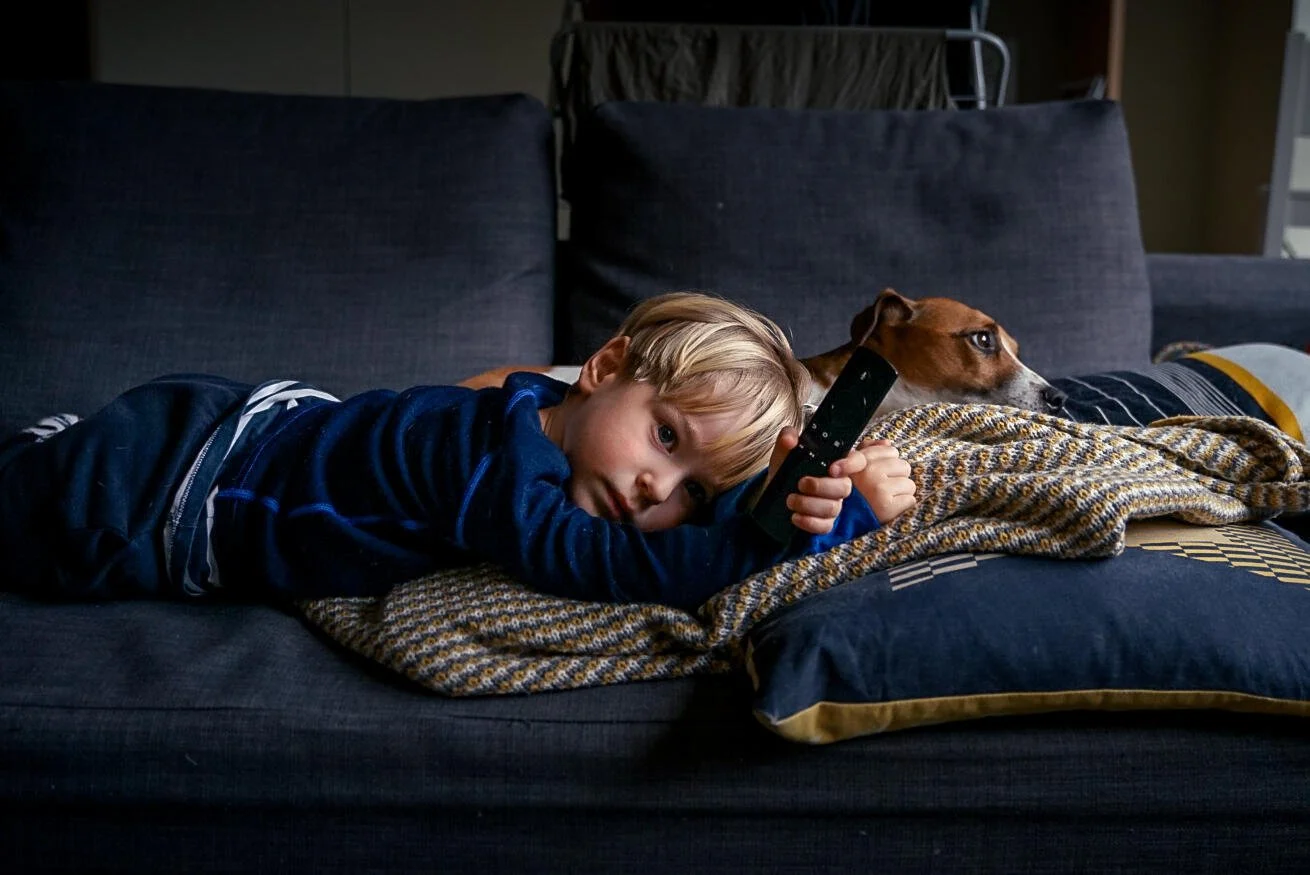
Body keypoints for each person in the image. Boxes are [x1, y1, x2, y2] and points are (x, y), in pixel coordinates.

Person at [0, 292, 916, 610]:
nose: (654, 488)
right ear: (602, 368)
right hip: (180, 474)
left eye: (691, 492)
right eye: (666, 436)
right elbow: (610, 565)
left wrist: (791, 497)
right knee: (34, 528)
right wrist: (782, 538)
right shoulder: (489, 459)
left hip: (267, 426)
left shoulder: (551, 427)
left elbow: (681, 529)